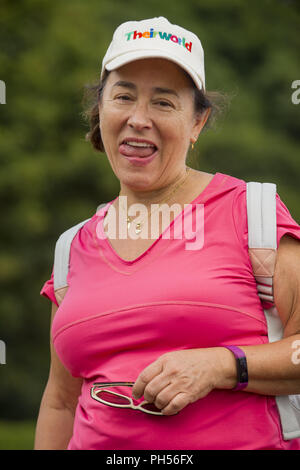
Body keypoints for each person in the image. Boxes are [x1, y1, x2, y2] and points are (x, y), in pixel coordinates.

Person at [34, 17, 300, 450]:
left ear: (197, 123)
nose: (139, 119)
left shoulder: (250, 212)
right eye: (123, 97)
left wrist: (222, 365)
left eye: (163, 102)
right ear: (100, 111)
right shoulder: (72, 248)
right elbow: (60, 403)